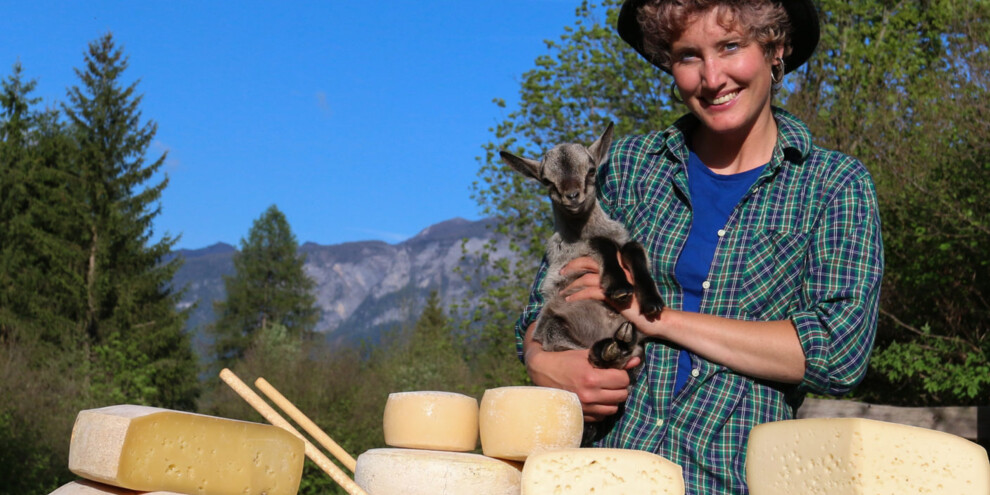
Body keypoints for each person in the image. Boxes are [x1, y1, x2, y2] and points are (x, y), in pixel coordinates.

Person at [514, 0, 884, 493]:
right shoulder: (627, 170)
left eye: (730, 47)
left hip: (727, 478)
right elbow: (542, 306)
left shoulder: (834, 186)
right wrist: (543, 362)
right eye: (689, 56)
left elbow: (839, 352)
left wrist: (656, 316)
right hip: (593, 473)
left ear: (775, 49)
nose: (712, 78)